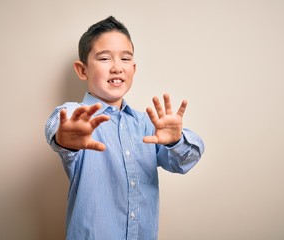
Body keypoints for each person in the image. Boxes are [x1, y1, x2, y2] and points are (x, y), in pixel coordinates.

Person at [45, 16, 204, 240]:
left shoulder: (147, 125)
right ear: (82, 70)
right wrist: (65, 138)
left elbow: (185, 161)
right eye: (104, 58)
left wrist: (174, 141)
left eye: (125, 58)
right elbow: (57, 125)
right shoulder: (75, 116)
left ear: (134, 68)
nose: (117, 68)